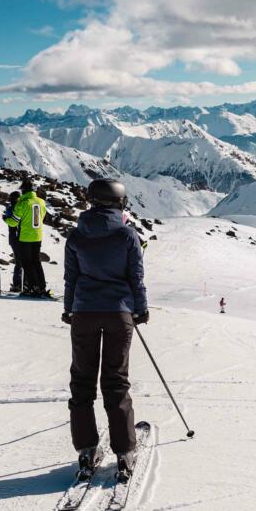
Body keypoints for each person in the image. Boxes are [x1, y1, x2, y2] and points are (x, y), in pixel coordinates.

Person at [62, 178, 148, 481]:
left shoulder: (76, 235)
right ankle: (124, 452)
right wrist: (140, 308)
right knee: (116, 381)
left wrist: (69, 308)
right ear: (120, 202)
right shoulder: (127, 234)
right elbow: (136, 276)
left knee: (82, 382)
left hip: (84, 313)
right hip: (118, 313)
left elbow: (71, 277)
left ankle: (87, 450)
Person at [6, 179, 49, 297]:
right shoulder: (41, 202)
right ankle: (41, 287)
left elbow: (14, 222)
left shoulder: (22, 203)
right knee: (36, 262)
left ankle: (32, 287)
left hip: (25, 238)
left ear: (24, 190)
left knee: (27, 263)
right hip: (38, 236)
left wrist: (6, 219)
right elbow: (42, 218)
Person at [2, 190, 23, 293]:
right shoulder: (18, 208)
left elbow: (7, 219)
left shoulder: (10, 208)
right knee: (21, 262)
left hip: (13, 238)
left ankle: (18, 284)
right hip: (18, 238)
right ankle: (20, 284)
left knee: (19, 262)